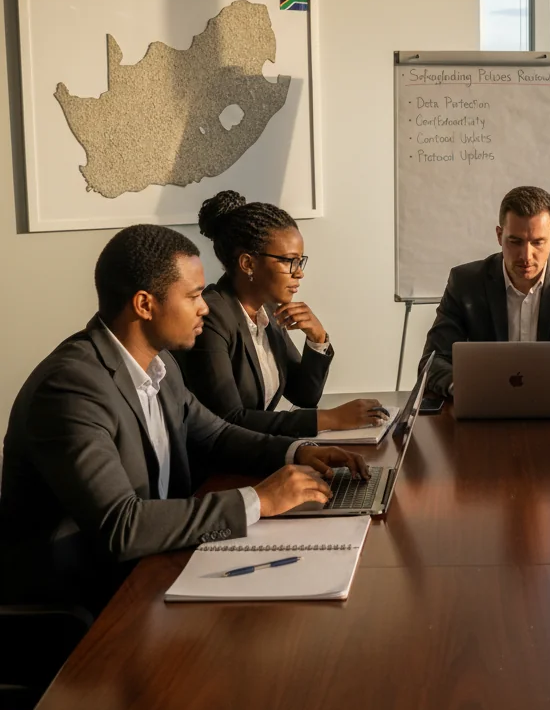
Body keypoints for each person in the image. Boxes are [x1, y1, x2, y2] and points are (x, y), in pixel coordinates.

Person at [0, 225, 370, 610]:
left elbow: (215, 436)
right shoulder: (71, 387)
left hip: (153, 568)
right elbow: (120, 527)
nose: (205, 306)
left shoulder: (161, 367)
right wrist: (258, 500)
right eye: (193, 295)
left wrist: (297, 453)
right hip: (80, 605)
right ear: (145, 305)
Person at [175, 190, 386, 437]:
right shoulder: (212, 318)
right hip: (217, 469)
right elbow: (229, 420)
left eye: (300, 261)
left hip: (256, 454)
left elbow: (304, 395)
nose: (299, 273)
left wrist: (317, 338)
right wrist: (331, 418)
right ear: (248, 264)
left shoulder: (267, 310)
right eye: (289, 261)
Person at [418, 185, 550, 398]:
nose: (526, 256)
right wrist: (463, 387)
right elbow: (432, 361)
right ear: (499, 235)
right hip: (484, 406)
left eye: (538, 242)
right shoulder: (466, 282)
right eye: (515, 242)